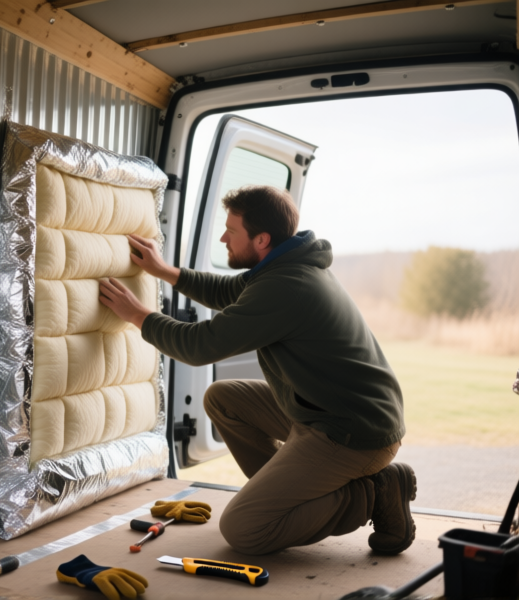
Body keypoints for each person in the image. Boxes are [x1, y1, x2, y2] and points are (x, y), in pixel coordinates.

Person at [98, 184, 415, 556]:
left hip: (352, 432)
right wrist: (166, 271)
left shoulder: (287, 287)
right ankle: (289, 492)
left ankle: (375, 492)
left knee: (245, 529)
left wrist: (138, 315)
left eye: (231, 231)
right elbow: (229, 292)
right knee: (223, 398)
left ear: (262, 239)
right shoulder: (285, 266)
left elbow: (199, 346)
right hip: (322, 412)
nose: (222, 238)